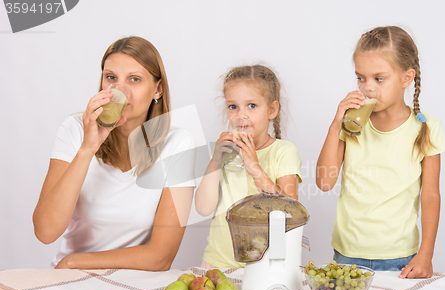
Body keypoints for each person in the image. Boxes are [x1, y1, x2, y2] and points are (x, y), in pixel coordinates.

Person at [33, 36, 195, 270]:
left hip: (129, 283)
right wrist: (87, 149)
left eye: (135, 79)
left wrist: (75, 261)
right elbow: (45, 232)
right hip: (68, 281)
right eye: (111, 78)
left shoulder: (178, 144)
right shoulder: (75, 129)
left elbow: (161, 257)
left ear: (157, 89)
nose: (120, 90)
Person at [316, 26, 445, 279]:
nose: (368, 88)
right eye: (360, 78)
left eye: (379, 78)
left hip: (400, 257)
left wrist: (426, 254)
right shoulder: (351, 123)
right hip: (347, 255)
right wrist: (335, 125)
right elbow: (324, 182)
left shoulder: (426, 127)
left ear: (406, 78)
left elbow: (430, 195)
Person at [195, 65, 302, 268]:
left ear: (272, 110)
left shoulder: (284, 151)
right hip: (217, 263)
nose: (240, 115)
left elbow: (290, 211)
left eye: (252, 106)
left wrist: (255, 168)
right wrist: (215, 161)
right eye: (233, 106)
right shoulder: (223, 152)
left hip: (267, 266)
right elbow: (202, 208)